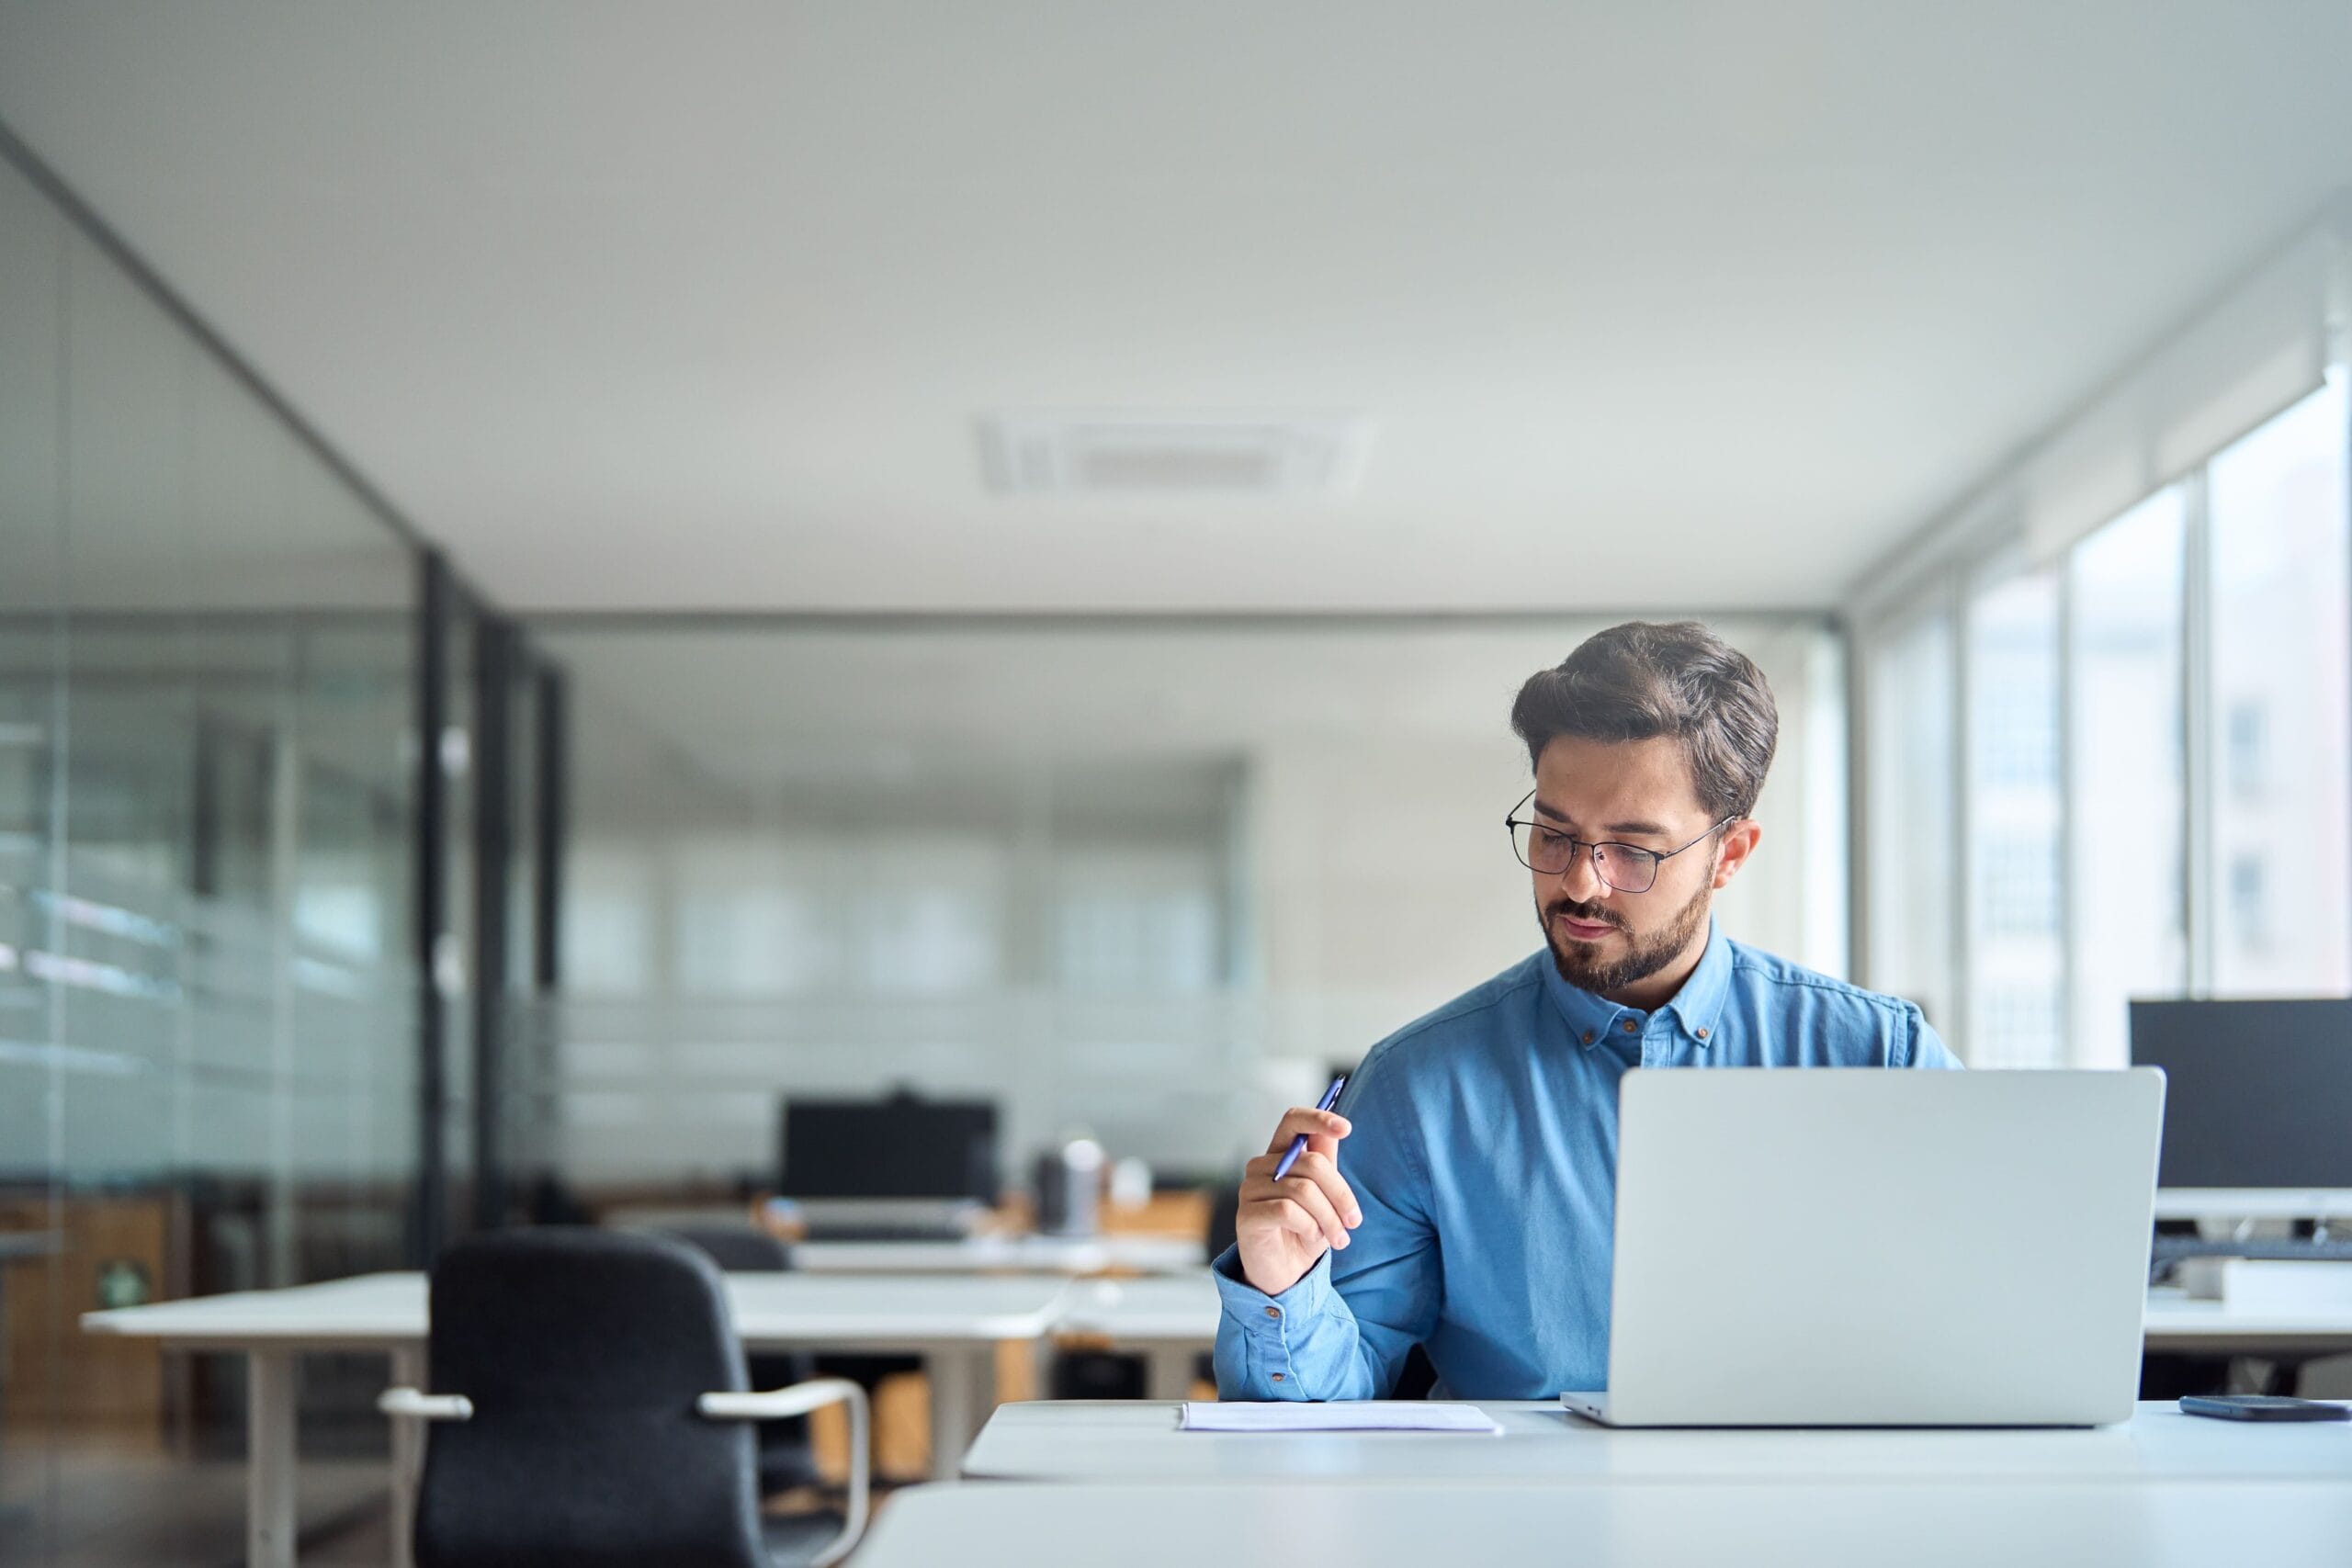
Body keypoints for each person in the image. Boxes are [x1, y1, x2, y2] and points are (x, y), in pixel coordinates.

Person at [1213, 620, 1960, 1400]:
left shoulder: (1881, 1056)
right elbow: (1321, 1415)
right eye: (1555, 834)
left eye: (1634, 848)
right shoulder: (1419, 1088)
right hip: (1521, 1516)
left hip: (1817, 1507)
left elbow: (1983, 1319)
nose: (1579, 883)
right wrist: (1282, 1284)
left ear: (1730, 853)